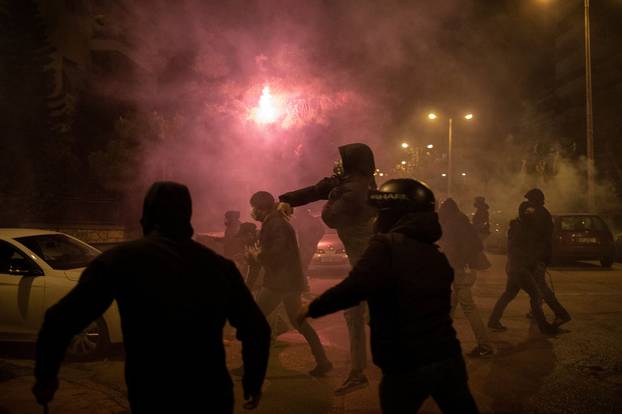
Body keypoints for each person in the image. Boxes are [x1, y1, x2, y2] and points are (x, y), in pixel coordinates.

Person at [32, 182, 271, 413]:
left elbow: (60, 320)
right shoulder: (220, 267)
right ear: (187, 217)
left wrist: (46, 378)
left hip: (154, 395)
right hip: (210, 394)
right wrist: (253, 381)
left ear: (145, 217)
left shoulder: (120, 261)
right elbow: (257, 329)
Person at [298, 179, 479, 414]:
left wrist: (313, 308)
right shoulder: (434, 251)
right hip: (447, 359)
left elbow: (354, 288)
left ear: (392, 214)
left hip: (405, 365)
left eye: (381, 212)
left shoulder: (386, 246)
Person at [279, 143, 376, 395]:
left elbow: (330, 217)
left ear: (353, 163)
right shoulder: (351, 183)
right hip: (365, 267)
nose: (337, 163)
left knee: (365, 315)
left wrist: (333, 193)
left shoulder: (355, 190)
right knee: (358, 315)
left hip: (369, 267)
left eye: (342, 159)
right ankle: (360, 373)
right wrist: (287, 199)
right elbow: (315, 190)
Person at [243, 191, 332, 376]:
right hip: (288, 281)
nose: (252, 212)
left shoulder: (275, 224)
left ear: (260, 207)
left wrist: (258, 255)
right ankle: (323, 362)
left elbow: (278, 253)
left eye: (254, 208)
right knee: (299, 322)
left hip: (279, 282)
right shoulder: (274, 222)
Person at [488, 201, 558, 335]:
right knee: (536, 295)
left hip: (517, 267)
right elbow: (514, 248)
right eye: (528, 212)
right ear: (522, 213)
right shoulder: (519, 227)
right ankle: (544, 327)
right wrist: (529, 260)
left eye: (532, 212)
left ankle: (493, 321)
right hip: (520, 268)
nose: (530, 215)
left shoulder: (525, 226)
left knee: (508, 295)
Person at [438, 198, 494, 358]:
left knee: (468, 307)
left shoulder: (453, 224)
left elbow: (452, 250)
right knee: (450, 306)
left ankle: (485, 346)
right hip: (465, 270)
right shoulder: (462, 222)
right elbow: (475, 245)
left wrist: (455, 264)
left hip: (461, 271)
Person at [524, 188, 571, 327]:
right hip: (539, 255)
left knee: (540, 286)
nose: (528, 203)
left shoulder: (539, 214)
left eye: (529, 200)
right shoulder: (542, 213)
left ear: (534, 201)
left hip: (538, 256)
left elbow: (535, 237)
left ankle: (561, 313)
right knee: (536, 285)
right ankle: (535, 310)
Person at [291, 209, 325, 292]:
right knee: (301, 267)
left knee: (302, 266)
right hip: (301, 247)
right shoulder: (297, 221)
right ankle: (303, 287)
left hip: (307, 247)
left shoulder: (312, 221)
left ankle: (304, 288)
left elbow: (321, 231)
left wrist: (313, 240)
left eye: (298, 213)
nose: (296, 215)